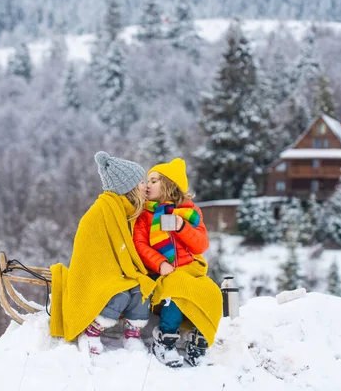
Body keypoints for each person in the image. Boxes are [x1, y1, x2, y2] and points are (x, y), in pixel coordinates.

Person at [49, 151, 156, 355]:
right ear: (129, 187)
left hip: (121, 273)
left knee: (142, 289)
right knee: (119, 293)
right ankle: (91, 332)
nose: (146, 186)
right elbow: (90, 255)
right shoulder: (100, 213)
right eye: (141, 182)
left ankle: (132, 335)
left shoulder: (129, 211)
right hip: (99, 276)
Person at [134, 158, 222, 367]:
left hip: (192, 271)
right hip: (163, 274)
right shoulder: (144, 215)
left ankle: (199, 344)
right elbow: (140, 245)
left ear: (169, 185)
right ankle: (165, 340)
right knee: (176, 286)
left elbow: (201, 246)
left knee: (212, 292)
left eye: (154, 180)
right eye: (148, 180)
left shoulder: (191, 213)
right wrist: (160, 263)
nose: (148, 185)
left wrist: (182, 227)